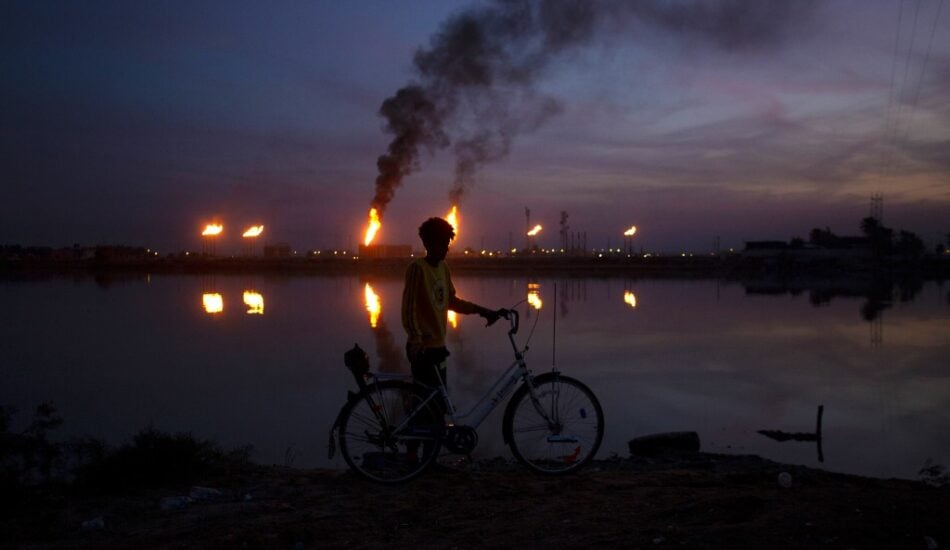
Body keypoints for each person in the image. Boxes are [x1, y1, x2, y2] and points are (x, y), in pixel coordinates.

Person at [401, 217, 503, 394]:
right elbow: (409, 309)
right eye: (442, 244)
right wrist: (416, 339)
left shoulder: (443, 267)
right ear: (427, 243)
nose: (446, 249)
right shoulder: (417, 269)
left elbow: (451, 301)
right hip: (422, 348)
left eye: (447, 244)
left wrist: (483, 311)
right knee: (425, 404)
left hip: (438, 346)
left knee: (439, 400)